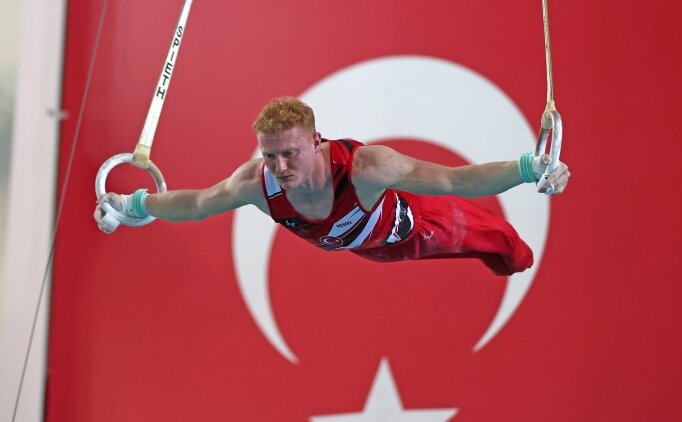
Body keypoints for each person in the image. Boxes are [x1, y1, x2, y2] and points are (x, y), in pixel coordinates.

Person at [95, 96, 570, 275]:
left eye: (290, 153)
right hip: (368, 250)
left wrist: (531, 168)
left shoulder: (368, 168)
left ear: (316, 141)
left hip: (418, 227)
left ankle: (512, 250)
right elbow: (197, 204)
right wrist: (135, 203)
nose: (280, 166)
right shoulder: (256, 184)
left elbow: (456, 180)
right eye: (270, 155)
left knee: (512, 254)